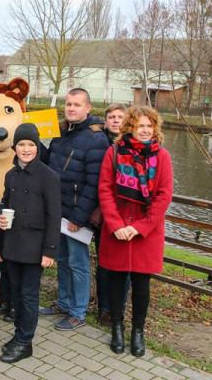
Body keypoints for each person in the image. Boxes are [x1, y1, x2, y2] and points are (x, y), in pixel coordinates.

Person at [99, 106, 173, 357]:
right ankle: (117, 328)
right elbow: (106, 189)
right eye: (140, 125)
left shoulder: (162, 156)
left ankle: (137, 332)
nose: (145, 130)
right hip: (117, 229)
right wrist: (117, 225)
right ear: (130, 127)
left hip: (146, 232)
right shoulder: (115, 152)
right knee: (117, 280)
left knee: (142, 284)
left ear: (155, 128)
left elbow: (164, 196)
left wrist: (139, 227)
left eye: (149, 126)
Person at [40, 88, 109, 331]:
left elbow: (95, 183)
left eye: (77, 105)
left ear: (88, 108)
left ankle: (78, 312)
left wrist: (79, 217)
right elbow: (49, 165)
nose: (71, 108)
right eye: (68, 104)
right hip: (57, 210)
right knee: (61, 259)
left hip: (76, 215)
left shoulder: (95, 139)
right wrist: (34, 142)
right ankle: (64, 302)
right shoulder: (61, 132)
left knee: (78, 262)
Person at [0, 123, 61, 363]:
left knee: (29, 294)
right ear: (15, 147)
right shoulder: (10, 174)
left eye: (31, 145)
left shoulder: (49, 177)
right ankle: (18, 334)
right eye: (21, 144)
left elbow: (55, 216)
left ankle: (25, 341)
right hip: (13, 243)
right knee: (15, 292)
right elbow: (4, 203)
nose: (25, 149)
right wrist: (0, 217)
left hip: (35, 246)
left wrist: (50, 251)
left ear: (37, 147)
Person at [94, 103, 128, 326]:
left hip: (126, 216)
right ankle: (104, 308)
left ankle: (119, 309)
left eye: (120, 117)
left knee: (124, 267)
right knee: (103, 263)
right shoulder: (98, 141)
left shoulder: (133, 145)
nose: (116, 121)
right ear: (105, 120)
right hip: (102, 213)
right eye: (111, 117)